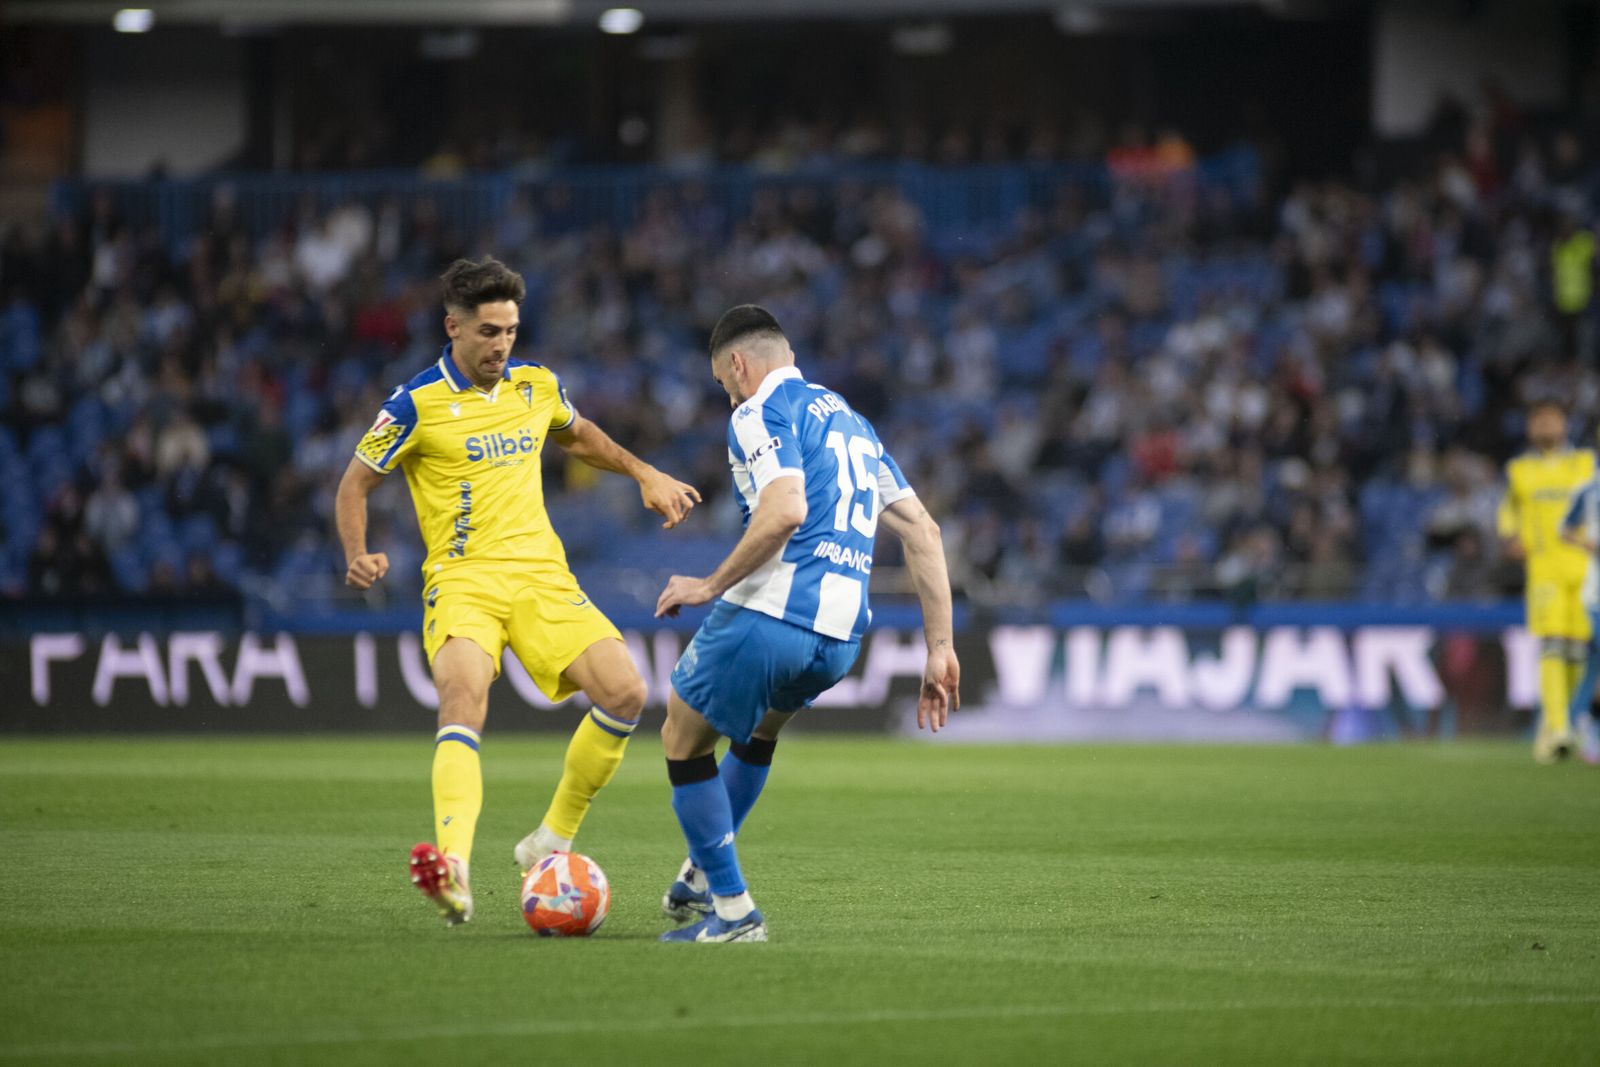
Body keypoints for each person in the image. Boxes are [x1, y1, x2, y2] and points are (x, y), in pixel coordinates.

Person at [335, 256, 701, 925]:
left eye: (510, 330)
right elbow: (355, 481)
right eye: (488, 331)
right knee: (463, 697)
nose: (502, 344)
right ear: (453, 327)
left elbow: (579, 435)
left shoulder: (536, 385)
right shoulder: (414, 403)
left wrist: (645, 473)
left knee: (625, 692)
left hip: (541, 576)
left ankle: (552, 837)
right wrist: (357, 554)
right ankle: (454, 868)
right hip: (464, 580)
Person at [651, 305, 960, 943]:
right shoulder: (852, 422)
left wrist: (709, 585)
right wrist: (941, 647)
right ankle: (706, 875)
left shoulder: (759, 410)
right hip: (842, 636)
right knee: (758, 735)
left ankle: (733, 913)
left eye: (722, 382)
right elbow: (924, 531)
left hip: (774, 612)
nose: (726, 394)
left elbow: (785, 508)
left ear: (738, 364)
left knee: (682, 739)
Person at [1497, 400, 1594, 762]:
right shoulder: (1519, 470)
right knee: (1553, 645)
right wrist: (1510, 538)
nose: (1545, 426)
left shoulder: (1584, 464)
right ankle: (1558, 728)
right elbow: (1508, 512)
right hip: (1545, 570)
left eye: (1552, 419)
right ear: (1529, 428)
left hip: (1587, 568)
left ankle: (1569, 721)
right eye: (1538, 420)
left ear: (1566, 425)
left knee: (1581, 651)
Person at [1557, 461, 1600, 764]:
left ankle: (1572, 724)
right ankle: (1588, 729)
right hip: (1597, 596)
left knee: (1594, 667)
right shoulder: (1590, 489)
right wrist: (1589, 544)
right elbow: (1563, 529)